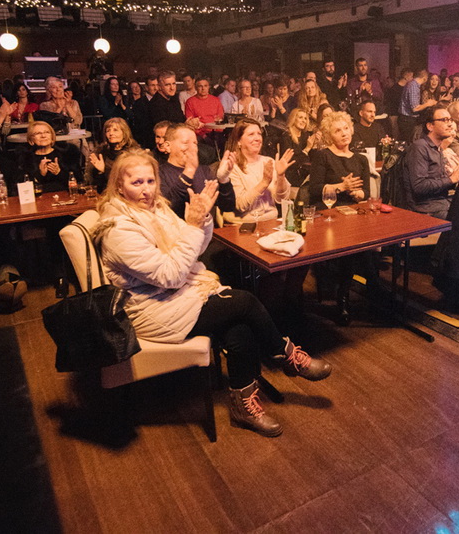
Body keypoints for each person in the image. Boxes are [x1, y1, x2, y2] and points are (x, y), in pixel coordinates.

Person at [92, 149, 331, 437]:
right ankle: (286, 354)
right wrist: (193, 226)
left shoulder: (156, 211)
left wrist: (202, 219)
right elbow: (170, 275)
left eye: (150, 181)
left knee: (239, 326)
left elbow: (195, 248)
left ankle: (244, 406)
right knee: (244, 302)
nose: (146, 190)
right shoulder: (118, 229)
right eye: (137, 183)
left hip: (173, 294)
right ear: (119, 186)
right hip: (150, 310)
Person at [308, 111, 382, 324]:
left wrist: (357, 193)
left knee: (370, 240)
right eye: (337, 130)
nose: (344, 133)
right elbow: (314, 190)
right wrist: (342, 186)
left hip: (354, 213)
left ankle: (364, 293)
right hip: (329, 214)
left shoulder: (361, 159)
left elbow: (366, 194)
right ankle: (353, 296)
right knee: (355, 245)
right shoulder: (323, 156)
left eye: (346, 128)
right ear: (329, 135)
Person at [403, 106, 459, 219]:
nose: (450, 124)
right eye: (444, 120)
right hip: (427, 209)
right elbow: (419, 186)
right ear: (430, 126)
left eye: (450, 120)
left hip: (443, 203)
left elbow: (443, 183)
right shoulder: (420, 147)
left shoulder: (438, 149)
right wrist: (451, 179)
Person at [226, 118, 293, 222]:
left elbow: (282, 199)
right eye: (251, 134)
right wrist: (264, 183)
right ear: (239, 141)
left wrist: (281, 176)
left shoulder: (268, 161)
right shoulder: (232, 167)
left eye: (259, 134)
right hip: (248, 224)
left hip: (272, 222)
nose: (257, 138)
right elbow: (240, 205)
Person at [20, 121, 82, 193]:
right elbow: (23, 190)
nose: (43, 136)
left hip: (66, 195)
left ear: (52, 137)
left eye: (47, 132)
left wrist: (59, 173)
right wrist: (40, 174)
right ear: (31, 140)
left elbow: (79, 181)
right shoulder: (25, 159)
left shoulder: (67, 154)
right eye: (38, 133)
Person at [85, 117, 138, 192]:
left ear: (124, 132)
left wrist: (105, 170)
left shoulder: (133, 153)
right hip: (106, 193)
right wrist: (100, 172)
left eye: (115, 130)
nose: (111, 133)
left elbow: (129, 178)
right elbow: (95, 183)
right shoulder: (101, 152)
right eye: (108, 131)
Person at [280, 108, 318, 187]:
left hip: (305, 171)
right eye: (300, 117)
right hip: (292, 174)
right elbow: (292, 162)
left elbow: (312, 159)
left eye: (305, 118)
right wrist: (307, 149)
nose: (304, 121)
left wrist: (314, 146)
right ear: (293, 119)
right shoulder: (286, 137)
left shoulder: (306, 135)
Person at [398, 70, 434, 142]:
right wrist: (428, 104)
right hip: (407, 120)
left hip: (407, 119)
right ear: (425, 78)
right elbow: (415, 108)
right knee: (409, 143)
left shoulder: (412, 84)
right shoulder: (413, 86)